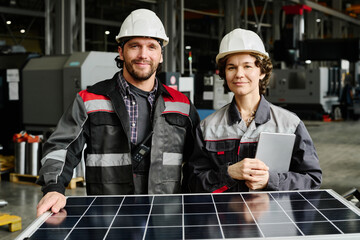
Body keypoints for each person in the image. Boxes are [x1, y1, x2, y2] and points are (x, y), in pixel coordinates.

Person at [36, 9, 199, 216]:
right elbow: (61, 147)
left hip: (164, 215)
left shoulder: (181, 104)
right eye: (134, 46)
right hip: (108, 214)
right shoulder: (90, 100)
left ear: (160, 56)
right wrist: (53, 188)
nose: (143, 54)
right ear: (121, 52)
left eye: (151, 47)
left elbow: (198, 161)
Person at [187, 28, 322, 193]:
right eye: (231, 67)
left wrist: (271, 180)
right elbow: (192, 182)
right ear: (224, 74)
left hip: (273, 216)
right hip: (224, 217)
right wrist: (228, 173)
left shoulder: (290, 124)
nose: (239, 74)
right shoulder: (207, 127)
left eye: (247, 66)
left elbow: (312, 179)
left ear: (262, 72)